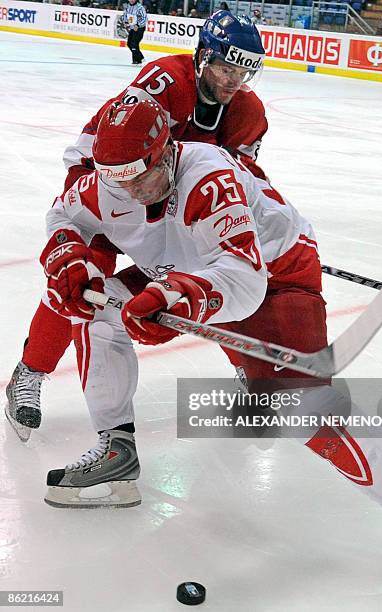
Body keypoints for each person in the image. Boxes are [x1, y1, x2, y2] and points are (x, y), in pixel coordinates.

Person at [40, 99, 382, 599]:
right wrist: (67, 254)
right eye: (115, 178)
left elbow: (244, 282)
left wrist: (180, 298)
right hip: (180, 266)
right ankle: (117, 447)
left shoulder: (210, 177)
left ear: (165, 152)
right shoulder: (109, 182)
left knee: (300, 408)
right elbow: (62, 215)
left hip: (276, 271)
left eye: (138, 176)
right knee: (92, 312)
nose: (127, 190)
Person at [5, 10, 268, 443]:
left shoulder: (248, 113)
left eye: (244, 72)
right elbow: (109, 140)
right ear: (204, 57)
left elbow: (240, 178)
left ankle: (247, 369)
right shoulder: (165, 81)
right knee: (80, 280)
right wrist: (98, 202)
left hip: (174, 202)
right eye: (226, 68)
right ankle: (29, 372)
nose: (234, 81)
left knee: (211, 275)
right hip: (114, 186)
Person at [122, 0, 147, 65]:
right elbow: (125, 15)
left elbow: (144, 18)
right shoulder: (127, 6)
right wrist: (125, 22)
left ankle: (137, 60)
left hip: (140, 28)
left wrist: (138, 25)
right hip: (132, 27)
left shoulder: (140, 7)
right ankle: (139, 58)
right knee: (129, 43)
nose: (132, 0)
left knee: (134, 43)